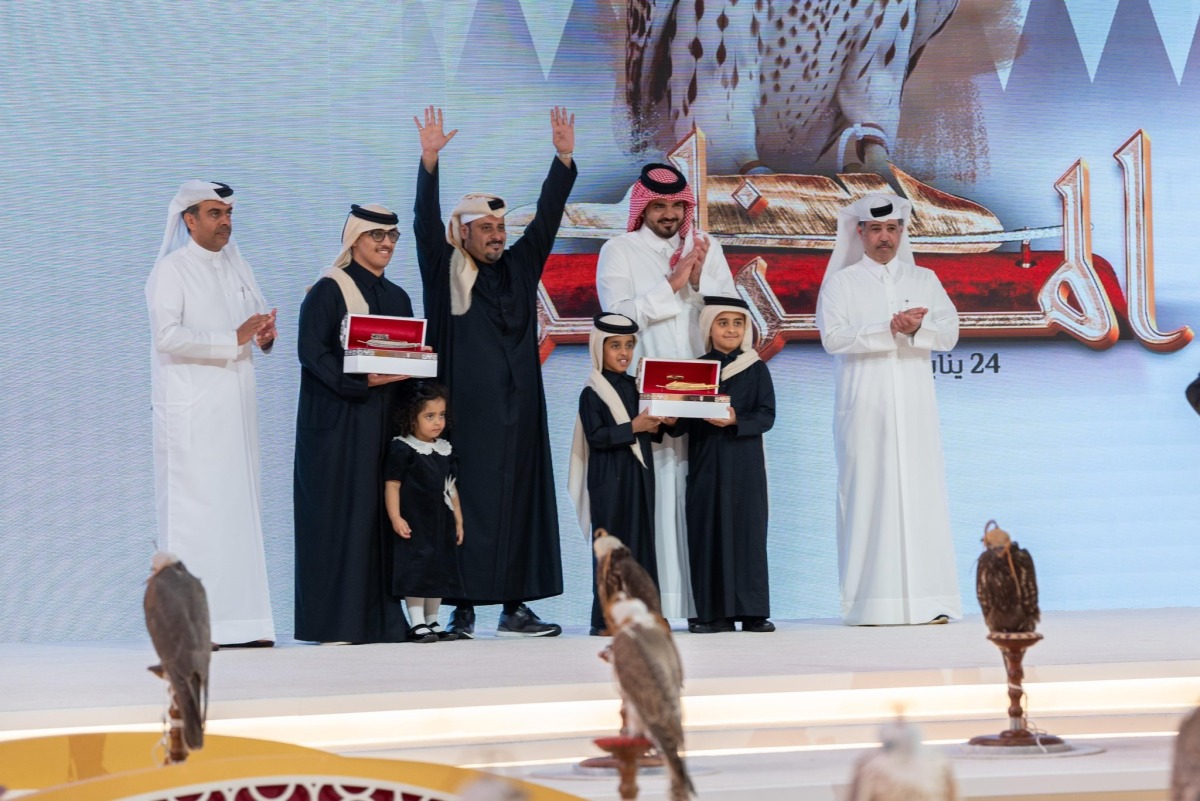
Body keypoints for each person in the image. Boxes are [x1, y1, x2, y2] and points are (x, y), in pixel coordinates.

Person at [412, 106, 577, 638]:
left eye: (501, 227)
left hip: (519, 417)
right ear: (462, 233)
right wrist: (429, 161)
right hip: (463, 417)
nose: (497, 236)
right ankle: (460, 610)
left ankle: (513, 607)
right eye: (486, 228)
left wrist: (563, 159)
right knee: (461, 506)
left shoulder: (520, 268)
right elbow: (423, 224)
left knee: (517, 507)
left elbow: (548, 218)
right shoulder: (445, 270)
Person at [595, 163, 737, 619]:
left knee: (700, 498)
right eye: (659, 205)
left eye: (677, 205)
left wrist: (697, 282)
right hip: (646, 395)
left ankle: (701, 606)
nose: (670, 214)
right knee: (653, 501)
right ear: (642, 207)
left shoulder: (705, 247)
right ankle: (655, 605)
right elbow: (617, 318)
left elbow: (728, 315)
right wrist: (672, 285)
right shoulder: (619, 250)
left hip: (701, 394)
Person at [815, 194, 962, 626]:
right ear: (859, 232)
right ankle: (871, 605)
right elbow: (833, 339)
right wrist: (887, 329)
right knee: (868, 497)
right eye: (876, 229)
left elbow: (949, 333)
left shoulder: (924, 278)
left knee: (921, 496)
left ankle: (930, 601)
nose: (885, 237)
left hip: (915, 408)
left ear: (902, 232)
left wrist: (917, 328)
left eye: (892, 229)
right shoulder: (841, 283)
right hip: (865, 407)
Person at [145, 180, 276, 648]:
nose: (225, 221)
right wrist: (231, 339)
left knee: (237, 515)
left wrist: (263, 337)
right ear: (189, 220)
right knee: (196, 519)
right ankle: (193, 628)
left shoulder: (237, 267)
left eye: (228, 213)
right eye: (215, 213)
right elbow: (167, 337)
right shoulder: (172, 270)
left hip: (236, 415)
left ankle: (246, 625)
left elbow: (251, 328)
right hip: (193, 417)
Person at [294, 204, 414, 644]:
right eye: (376, 235)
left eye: (392, 236)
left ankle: (384, 622)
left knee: (380, 517)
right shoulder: (328, 290)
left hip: (384, 423)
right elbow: (312, 352)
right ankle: (335, 624)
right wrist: (360, 381)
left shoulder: (398, 297)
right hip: (338, 426)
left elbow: (406, 359)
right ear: (354, 239)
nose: (386, 244)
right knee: (339, 519)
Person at [672, 296, 775, 633]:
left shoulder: (756, 367)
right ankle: (711, 614)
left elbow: (766, 416)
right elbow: (682, 422)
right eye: (723, 323)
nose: (731, 330)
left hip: (745, 464)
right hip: (706, 462)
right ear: (709, 327)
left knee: (748, 534)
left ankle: (753, 613)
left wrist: (734, 420)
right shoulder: (696, 370)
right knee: (707, 532)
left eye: (737, 323)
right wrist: (668, 416)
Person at [567, 313, 665, 636]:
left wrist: (663, 422)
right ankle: (606, 620)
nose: (624, 353)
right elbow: (597, 436)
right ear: (599, 348)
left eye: (628, 345)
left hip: (638, 475)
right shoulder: (592, 391)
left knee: (642, 544)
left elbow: (652, 430)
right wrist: (634, 427)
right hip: (608, 479)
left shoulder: (638, 387)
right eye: (615, 346)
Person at [385, 381, 466, 643]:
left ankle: (433, 619)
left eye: (441, 415)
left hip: (441, 523)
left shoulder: (445, 449)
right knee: (417, 569)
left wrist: (458, 520)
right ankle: (417, 621)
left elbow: (451, 487)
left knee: (438, 570)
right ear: (412, 418)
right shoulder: (403, 448)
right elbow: (393, 484)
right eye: (429, 416)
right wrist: (396, 517)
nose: (438, 422)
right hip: (416, 521)